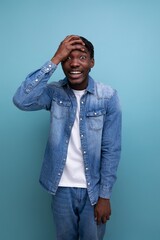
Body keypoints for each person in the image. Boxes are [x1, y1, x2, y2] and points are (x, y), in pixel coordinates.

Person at [13, 35, 122, 240]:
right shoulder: (54, 93)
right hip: (60, 188)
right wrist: (54, 60)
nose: (74, 63)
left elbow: (111, 149)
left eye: (82, 57)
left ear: (92, 62)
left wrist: (104, 196)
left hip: (94, 191)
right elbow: (21, 100)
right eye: (67, 58)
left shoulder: (108, 97)